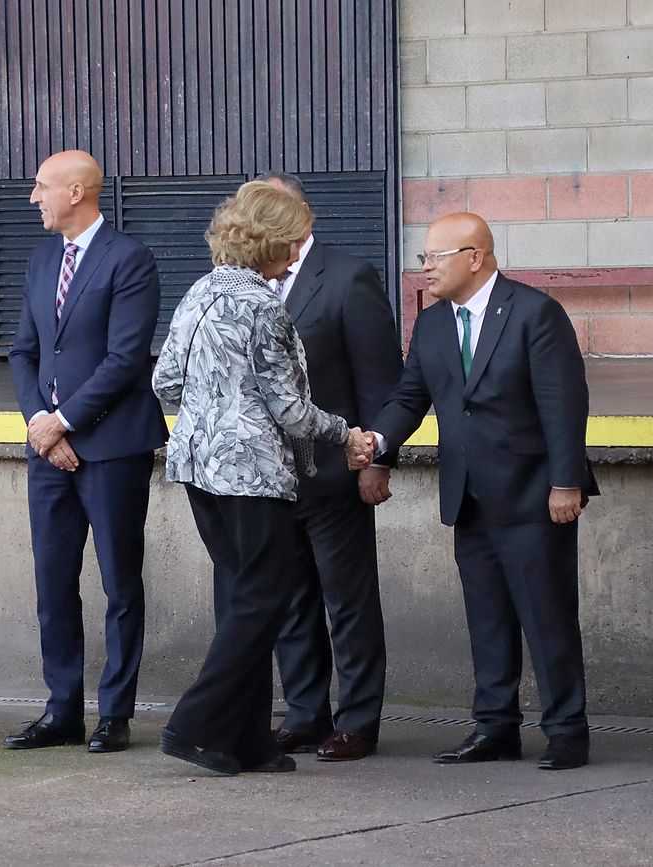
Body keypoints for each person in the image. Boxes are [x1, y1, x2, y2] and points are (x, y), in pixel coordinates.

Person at [153, 180, 373, 777]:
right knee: (264, 599)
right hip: (251, 473)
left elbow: (165, 383)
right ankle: (195, 723)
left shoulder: (199, 292)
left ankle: (242, 740)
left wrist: (215, 403)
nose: (298, 254)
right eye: (292, 244)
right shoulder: (263, 306)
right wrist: (347, 434)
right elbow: (290, 410)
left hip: (198, 468)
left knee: (247, 599)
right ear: (270, 244)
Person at [366, 212, 597, 771]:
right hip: (468, 496)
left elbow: (563, 404)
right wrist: (376, 440)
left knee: (546, 616)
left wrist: (566, 481)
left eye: (434, 258)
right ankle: (494, 727)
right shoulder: (433, 324)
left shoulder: (534, 312)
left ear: (475, 256)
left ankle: (566, 730)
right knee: (487, 618)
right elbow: (410, 397)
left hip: (533, 494)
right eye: (423, 259)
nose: (425, 270)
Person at [6, 150, 167, 754]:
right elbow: (23, 351)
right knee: (53, 582)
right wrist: (38, 425)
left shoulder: (129, 258)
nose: (32, 198)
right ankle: (62, 710)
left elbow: (126, 360)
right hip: (47, 449)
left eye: (42, 187)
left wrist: (66, 422)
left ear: (77, 192)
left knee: (120, 580)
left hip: (112, 446)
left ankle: (115, 713)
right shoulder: (42, 257)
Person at [257, 171, 403, 763]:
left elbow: (378, 379)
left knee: (348, 600)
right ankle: (305, 712)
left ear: (301, 217)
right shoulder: (249, 280)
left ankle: (360, 718)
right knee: (291, 600)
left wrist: (376, 463)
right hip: (270, 475)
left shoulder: (348, 275)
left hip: (336, 468)